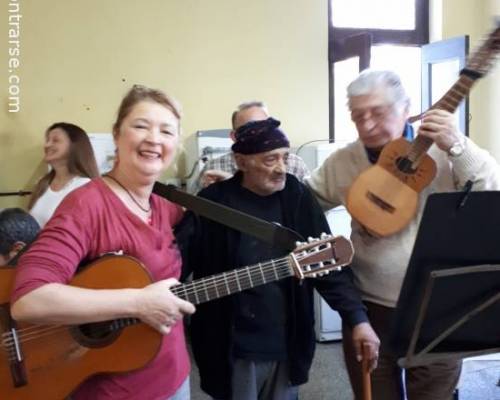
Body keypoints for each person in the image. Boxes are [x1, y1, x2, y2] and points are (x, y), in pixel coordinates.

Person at [306, 70, 500, 400]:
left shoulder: (443, 151)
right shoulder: (344, 161)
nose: (366, 125)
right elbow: (304, 203)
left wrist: (456, 146)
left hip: (436, 309)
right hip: (369, 308)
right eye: (357, 116)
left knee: (434, 394)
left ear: (406, 108)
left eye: (378, 113)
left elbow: (489, 191)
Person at [11, 85, 196, 400]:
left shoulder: (167, 205)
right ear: (116, 135)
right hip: (116, 390)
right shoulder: (86, 204)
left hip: (174, 374)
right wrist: (139, 303)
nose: (154, 138)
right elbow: (29, 300)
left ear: (175, 145)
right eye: (141, 126)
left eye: (166, 131)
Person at [177, 117, 380, 400]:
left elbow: (328, 265)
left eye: (285, 157)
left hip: (287, 341)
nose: (282, 168)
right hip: (231, 345)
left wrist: (358, 319)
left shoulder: (296, 196)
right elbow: (175, 263)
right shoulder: (213, 202)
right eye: (270, 159)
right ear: (241, 161)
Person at [191, 101, 310, 193]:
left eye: (266, 128)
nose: (262, 137)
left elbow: (310, 211)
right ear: (234, 136)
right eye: (250, 131)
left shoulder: (296, 165)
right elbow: (195, 209)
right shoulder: (213, 168)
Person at [28, 122, 99, 227]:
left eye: (55, 140)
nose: (47, 145)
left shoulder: (85, 187)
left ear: (74, 146)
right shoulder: (42, 183)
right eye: (48, 140)